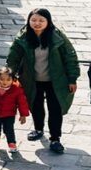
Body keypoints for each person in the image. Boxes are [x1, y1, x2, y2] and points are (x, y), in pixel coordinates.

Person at [6, 8, 80, 154]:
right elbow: (13, 59)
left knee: (55, 108)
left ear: (48, 22)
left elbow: (70, 58)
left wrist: (72, 79)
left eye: (41, 20)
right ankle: (38, 129)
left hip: (56, 80)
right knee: (35, 104)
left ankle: (55, 138)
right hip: (32, 79)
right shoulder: (22, 38)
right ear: (28, 21)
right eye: (33, 20)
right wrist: (9, 76)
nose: (37, 23)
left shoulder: (58, 37)